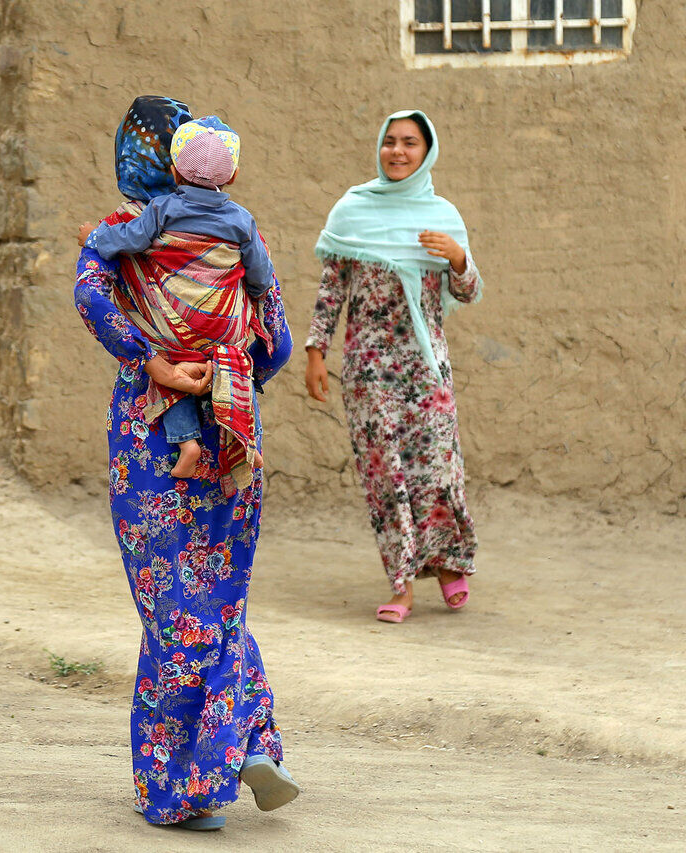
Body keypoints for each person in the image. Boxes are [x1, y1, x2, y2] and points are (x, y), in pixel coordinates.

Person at [74, 95, 298, 832]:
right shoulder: (237, 237)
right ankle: (252, 739)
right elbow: (278, 342)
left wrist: (155, 362)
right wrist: (230, 371)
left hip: (151, 444)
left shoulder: (119, 235)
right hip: (234, 434)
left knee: (175, 606)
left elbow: (91, 297)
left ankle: (185, 786)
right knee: (219, 597)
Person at [304, 109, 482, 624]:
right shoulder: (352, 211)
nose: (397, 151)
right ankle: (401, 583)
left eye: (409, 142)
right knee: (385, 476)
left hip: (426, 371)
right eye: (390, 141)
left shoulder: (442, 216)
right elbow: (331, 287)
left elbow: (466, 293)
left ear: (427, 152)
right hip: (368, 369)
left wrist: (458, 258)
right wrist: (317, 352)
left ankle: (448, 563)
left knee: (437, 468)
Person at [77, 116, 274, 480]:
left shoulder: (161, 210)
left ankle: (187, 445)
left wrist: (94, 238)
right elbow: (261, 278)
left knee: (172, 364)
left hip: (174, 333)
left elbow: (129, 240)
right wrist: (255, 293)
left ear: (174, 172)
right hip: (223, 335)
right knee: (224, 367)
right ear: (233, 176)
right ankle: (244, 440)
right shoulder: (243, 221)